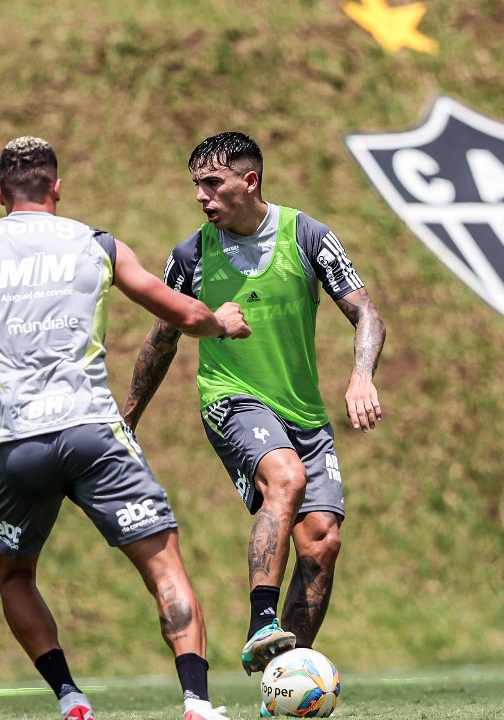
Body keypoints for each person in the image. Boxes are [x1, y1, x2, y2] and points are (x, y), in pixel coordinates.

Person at [0, 136, 249, 720]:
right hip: (93, 433)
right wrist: (220, 322)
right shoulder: (96, 244)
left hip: (17, 444)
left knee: (15, 574)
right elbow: (181, 312)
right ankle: (196, 702)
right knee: (163, 565)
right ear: (57, 188)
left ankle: (70, 698)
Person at [122, 131, 386, 685]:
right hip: (232, 398)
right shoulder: (191, 256)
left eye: (212, 183)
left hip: (303, 411)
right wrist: (129, 419)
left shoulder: (308, 237)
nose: (201, 195)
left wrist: (361, 375)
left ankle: (282, 680)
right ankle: (262, 620)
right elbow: (161, 340)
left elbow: (367, 314)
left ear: (250, 181)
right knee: (285, 478)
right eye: (196, 184)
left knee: (322, 540)